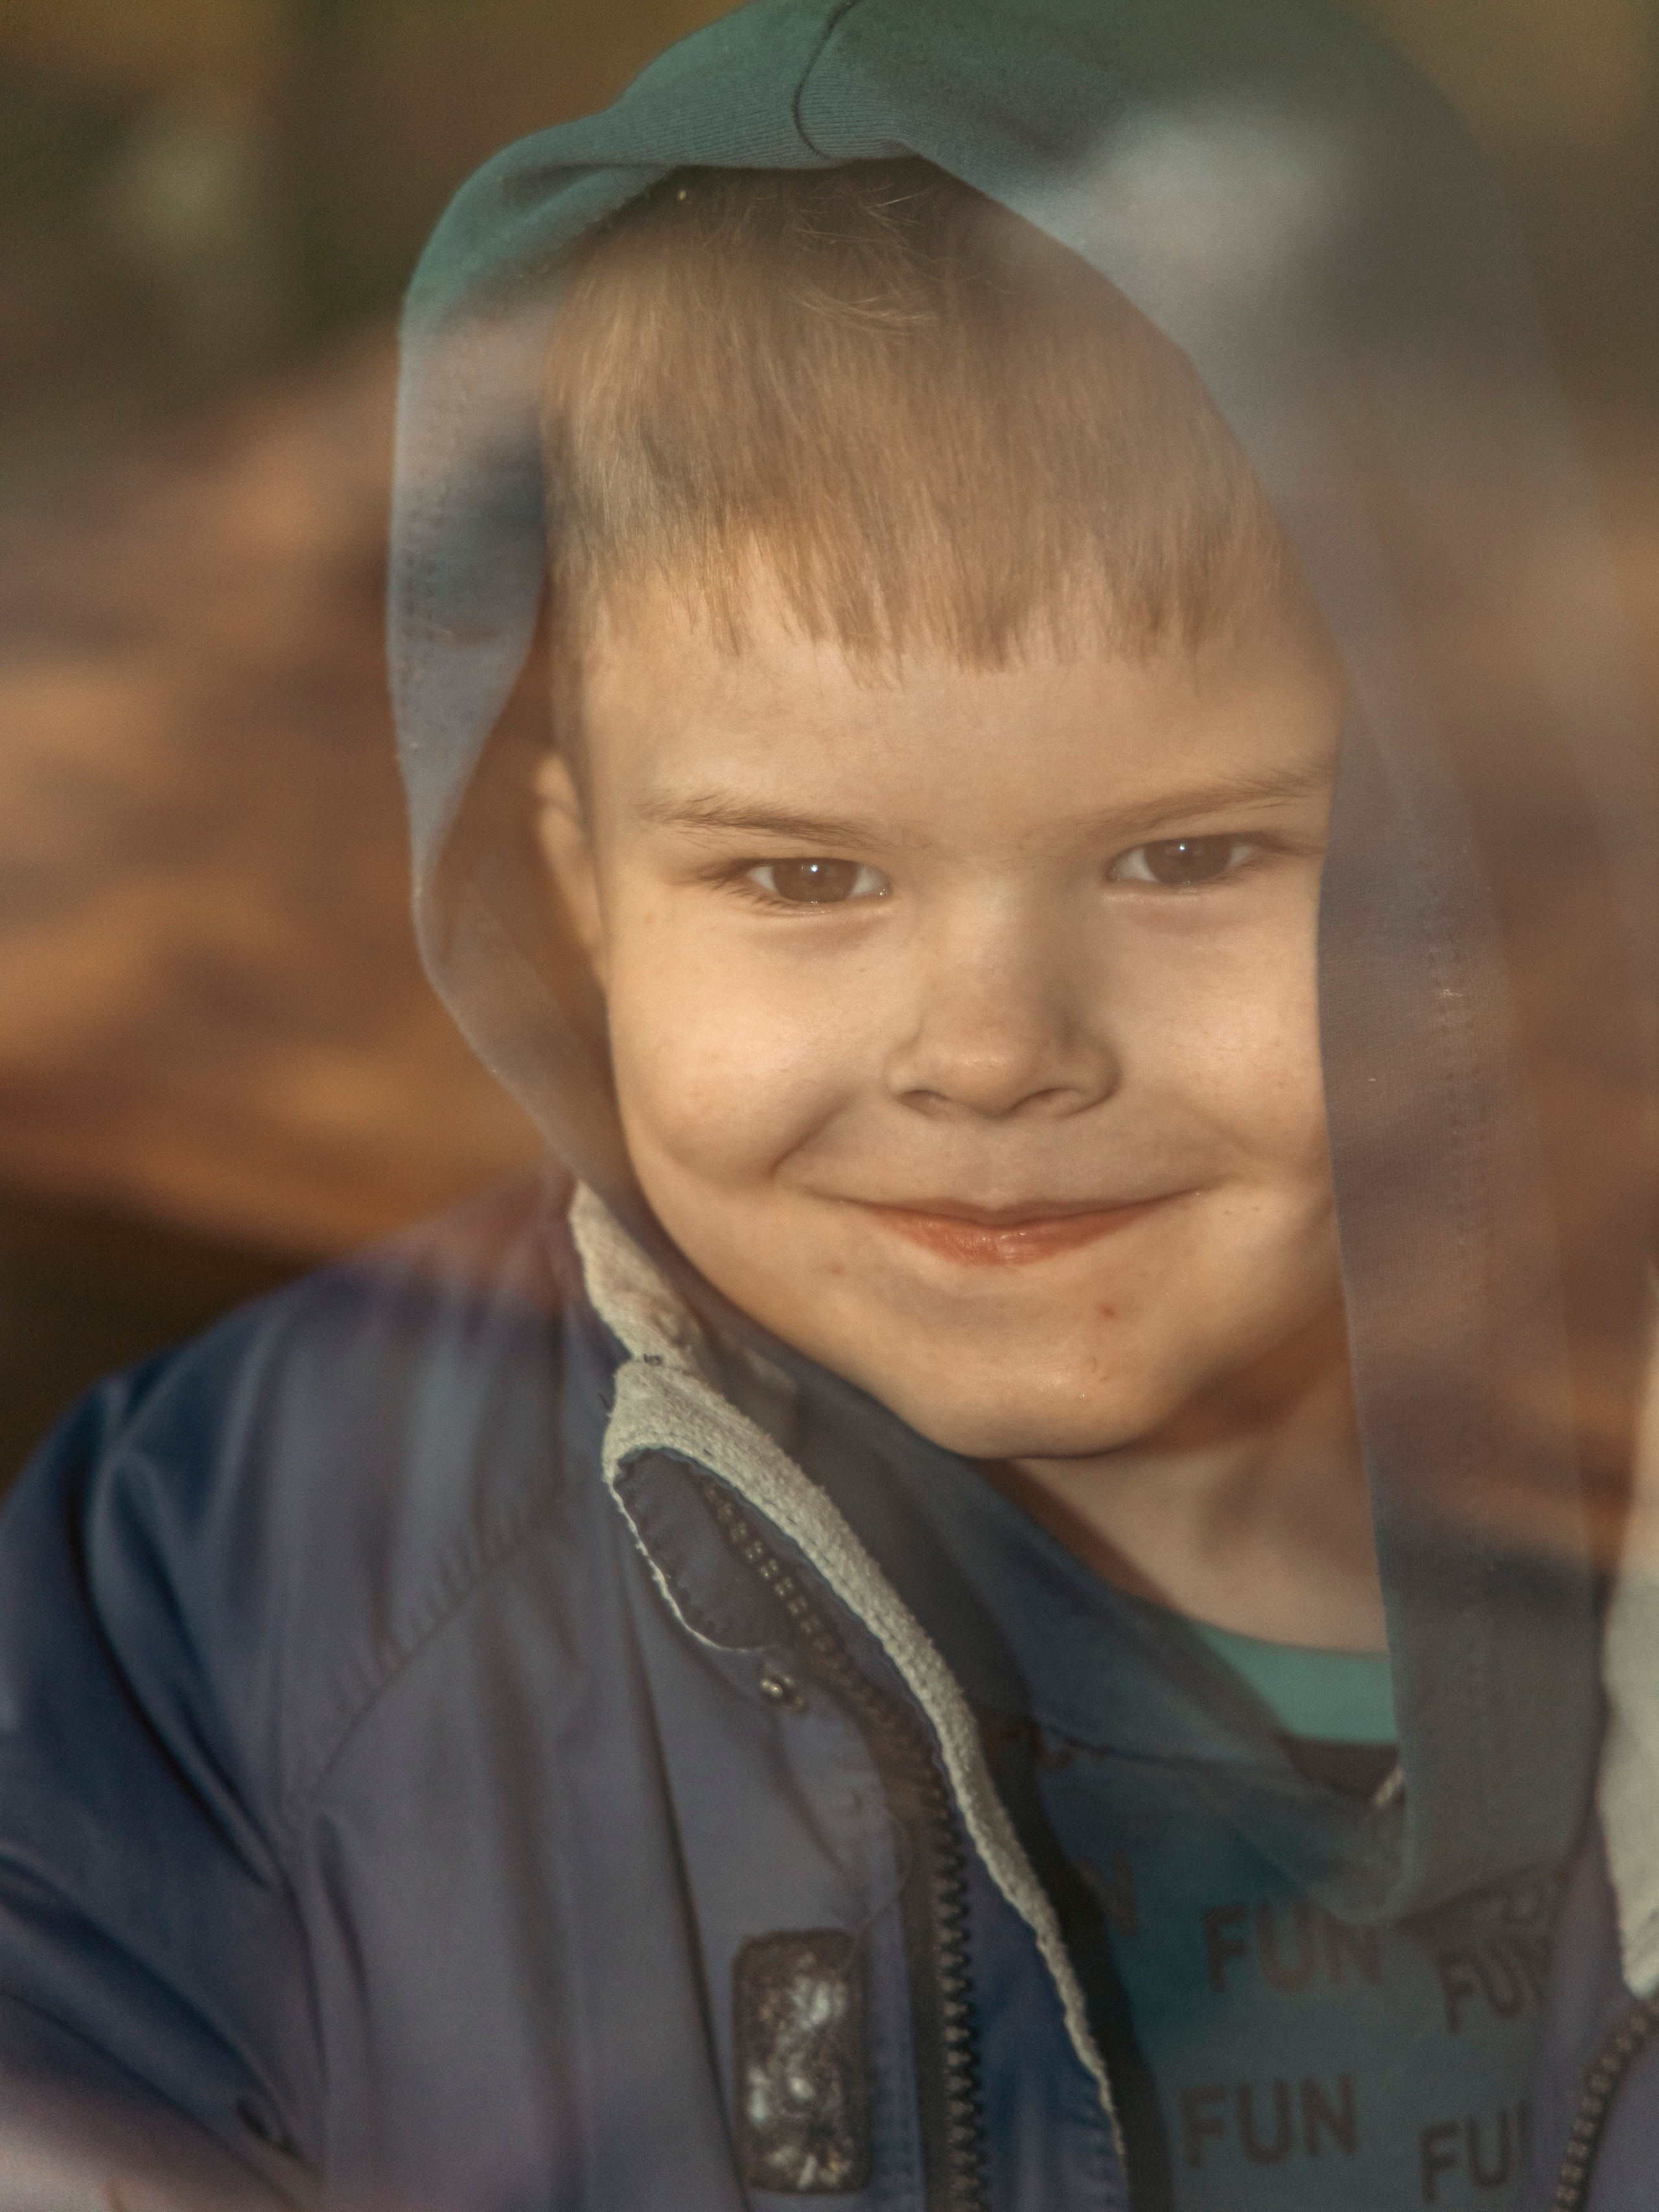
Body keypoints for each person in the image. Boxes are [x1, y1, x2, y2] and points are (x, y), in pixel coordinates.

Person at [1, 1, 1656, 2206]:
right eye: (800, 874)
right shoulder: (243, 1581)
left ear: (1494, 840)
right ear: (578, 885)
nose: (986, 1051)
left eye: (1190, 857)